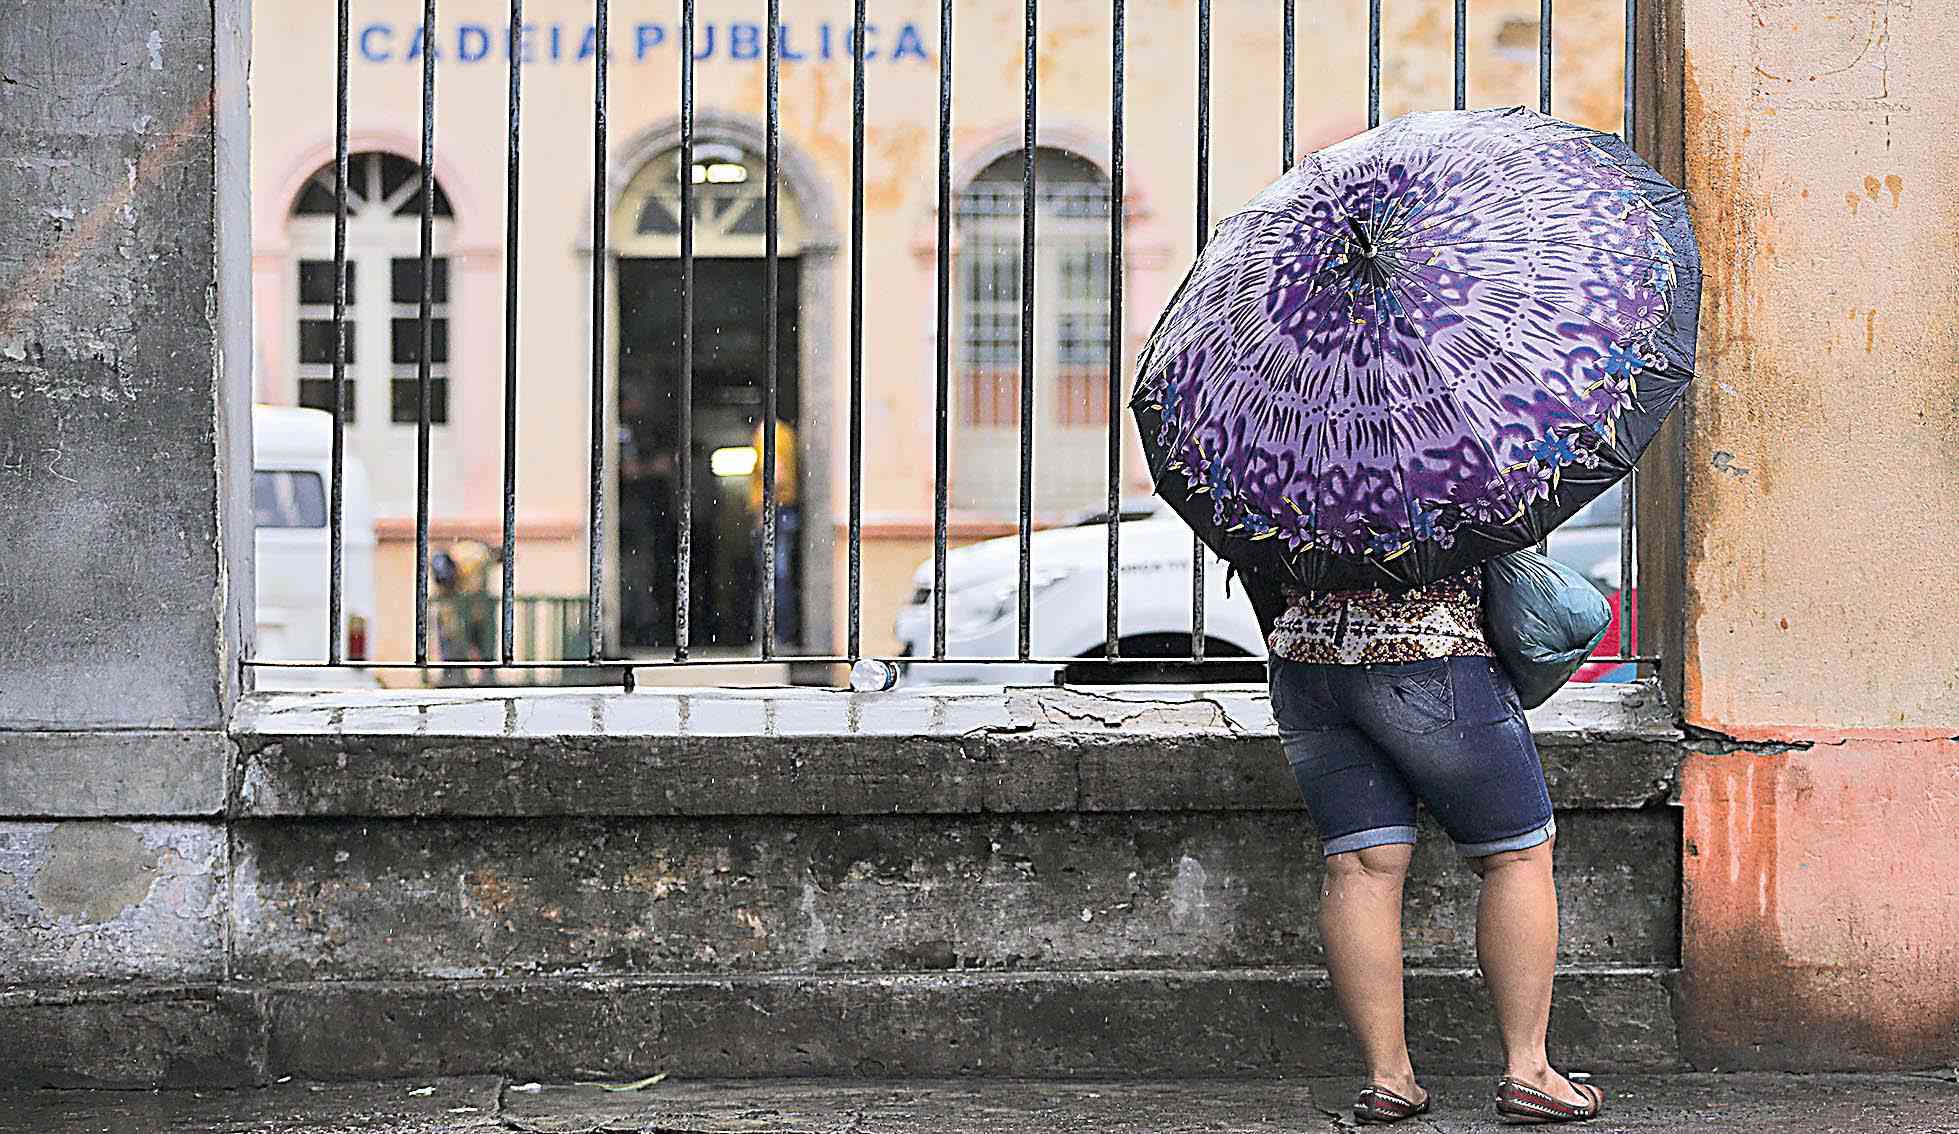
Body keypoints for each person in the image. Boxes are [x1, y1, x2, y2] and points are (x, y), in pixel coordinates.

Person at [1239, 568, 1607, 1125]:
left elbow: (1252, 559)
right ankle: (1530, 1071)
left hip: (1306, 666)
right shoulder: (1436, 474)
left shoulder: (1273, 478)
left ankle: (1388, 1079)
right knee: (1517, 854)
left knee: (1361, 866)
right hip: (1431, 652)